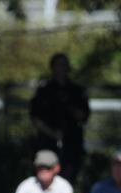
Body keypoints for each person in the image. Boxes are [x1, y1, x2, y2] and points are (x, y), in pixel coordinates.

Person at [29, 53, 90, 186]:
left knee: (68, 180)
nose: (61, 68)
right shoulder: (44, 90)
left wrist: (67, 105)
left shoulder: (77, 91)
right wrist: (52, 133)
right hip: (47, 143)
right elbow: (35, 118)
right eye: (58, 65)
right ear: (52, 67)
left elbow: (84, 116)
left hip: (71, 144)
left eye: (64, 65)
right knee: (44, 179)